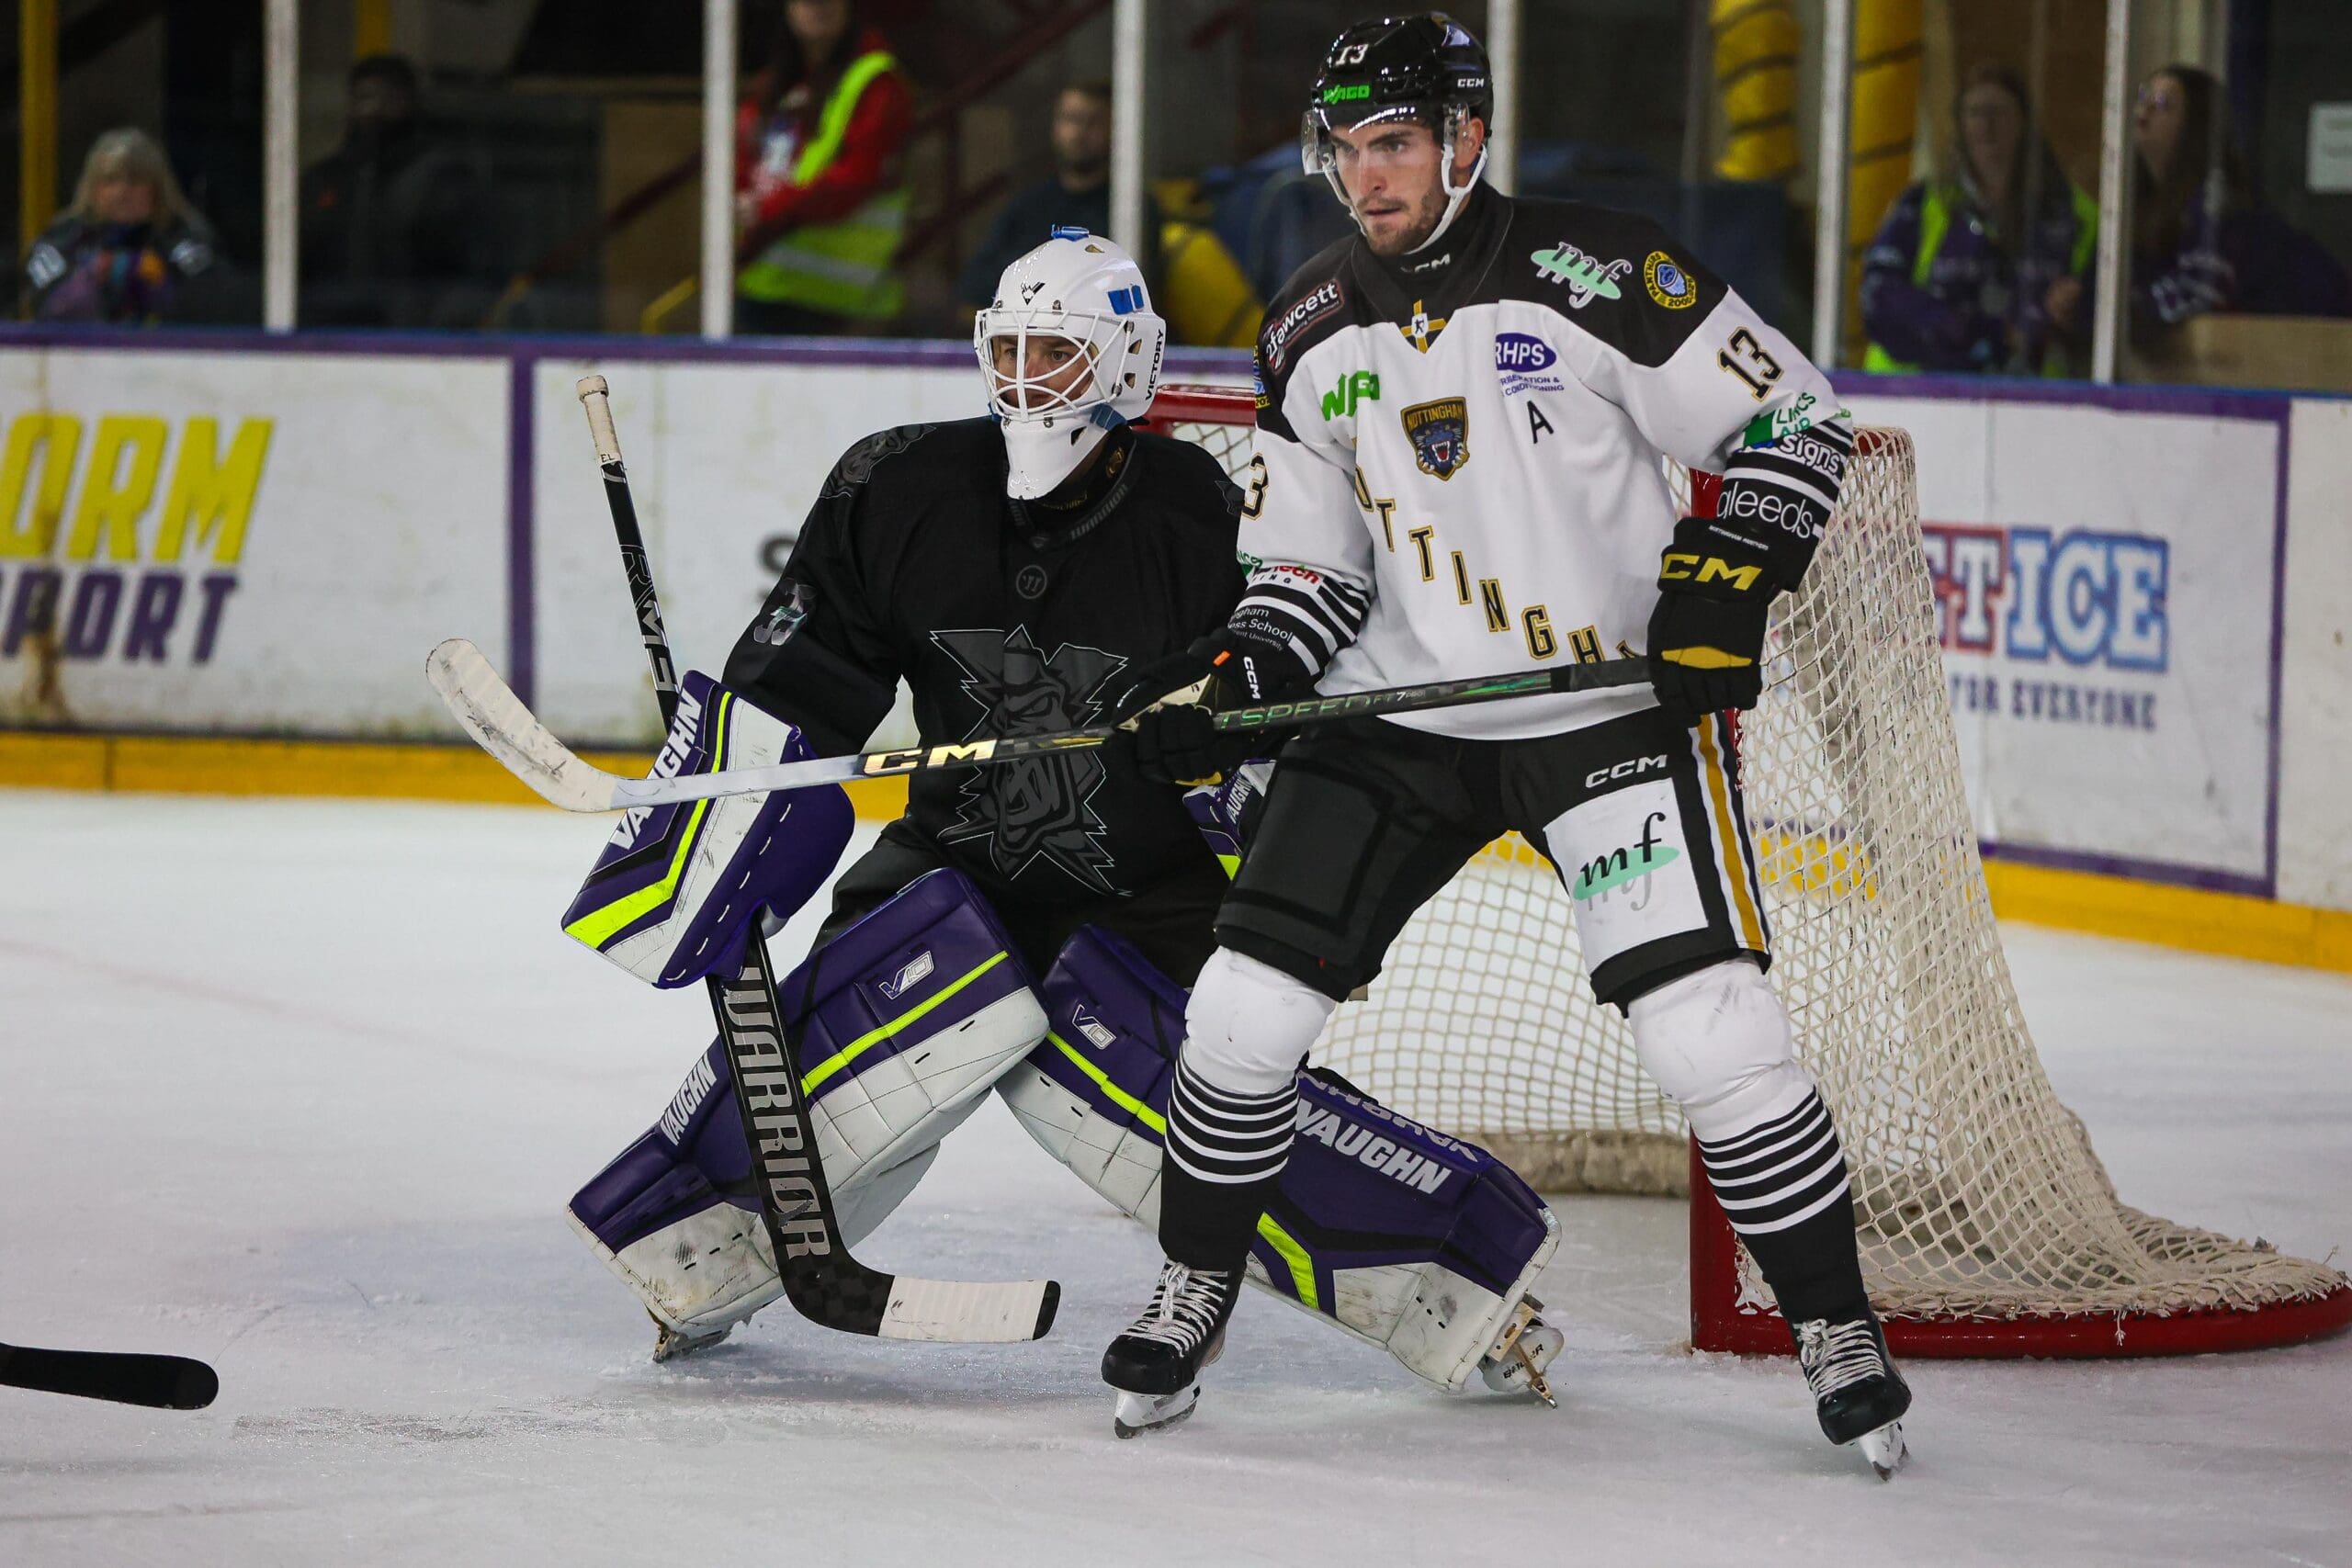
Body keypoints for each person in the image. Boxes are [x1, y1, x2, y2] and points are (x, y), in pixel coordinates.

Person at [561, 231, 1567, 1425]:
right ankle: (692, 1250)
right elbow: (797, 693)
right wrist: (709, 827)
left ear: (1128, 365)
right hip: (950, 867)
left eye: (1062, 350)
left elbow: (1296, 693)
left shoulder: (1207, 515)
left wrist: (1232, 737)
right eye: (1013, 347)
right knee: (886, 991)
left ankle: (1462, 1282)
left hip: (1155, 896)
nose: (1031, 376)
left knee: (1162, 1078)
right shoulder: (897, 484)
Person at [1102, 13, 1910, 1474]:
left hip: (1606, 717)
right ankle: (1195, 1280)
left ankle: (1837, 1324)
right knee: (1238, 1014)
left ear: (1467, 140)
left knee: (1711, 1031)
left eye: (1396, 143)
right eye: (1347, 150)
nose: (1369, 178)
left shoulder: (1599, 272)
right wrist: (1234, 671)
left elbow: (1799, 415)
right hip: (1403, 716)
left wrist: (1725, 577)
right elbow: (1312, 571)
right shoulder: (1304, 328)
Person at [1860, 64, 2096, 376]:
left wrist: (2076, 307)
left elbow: (2103, 306)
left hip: (2035, 399)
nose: (1986, 126)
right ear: (1959, 125)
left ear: (2023, 122)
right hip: (1923, 394)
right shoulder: (1923, 205)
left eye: (1998, 112)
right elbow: (1878, 295)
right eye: (1975, 113)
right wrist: (1975, 332)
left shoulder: (2071, 212)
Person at [733, 0, 915, 334]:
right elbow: (743, 158)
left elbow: (854, 178)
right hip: (765, 287)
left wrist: (768, 209)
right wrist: (744, 199)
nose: (818, 5)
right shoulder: (773, 84)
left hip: (847, 305)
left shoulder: (876, 82)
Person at [2132, 63, 2352, 333]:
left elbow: (2199, 291)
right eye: (2144, 96)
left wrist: (2127, 310)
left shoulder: (2218, 196)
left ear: (2195, 125)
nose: (2146, 109)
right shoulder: (2130, 198)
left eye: (2163, 103)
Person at [299, 54, 494, 329]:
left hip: (413, 333)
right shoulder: (325, 179)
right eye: (365, 98)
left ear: (411, 102)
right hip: (328, 330)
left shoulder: (443, 179)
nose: (375, 110)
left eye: (390, 99)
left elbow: (466, 271)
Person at [956, 81, 1162, 315]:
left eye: (1093, 122)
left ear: (1116, 130)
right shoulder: (1027, 206)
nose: (1079, 133)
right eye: (1071, 119)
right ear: (1055, 126)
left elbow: (1133, 296)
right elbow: (974, 288)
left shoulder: (1131, 210)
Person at [22, 129, 232, 325]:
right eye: (110, 180)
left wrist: (160, 285)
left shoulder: (184, 238)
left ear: (157, 190)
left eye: (135, 181)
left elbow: (217, 304)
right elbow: (39, 303)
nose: (122, 192)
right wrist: (89, 279)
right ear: (93, 189)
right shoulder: (62, 238)